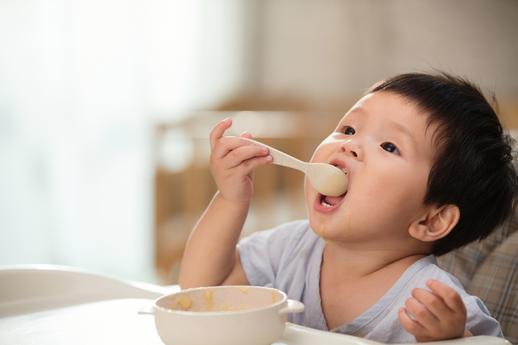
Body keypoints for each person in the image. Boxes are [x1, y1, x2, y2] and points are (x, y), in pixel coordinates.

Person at [179, 73, 517, 343]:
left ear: (431, 219)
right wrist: (230, 198)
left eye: (389, 146)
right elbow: (202, 290)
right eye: (348, 129)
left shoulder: (431, 304)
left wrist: (453, 338)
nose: (352, 145)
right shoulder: (290, 248)